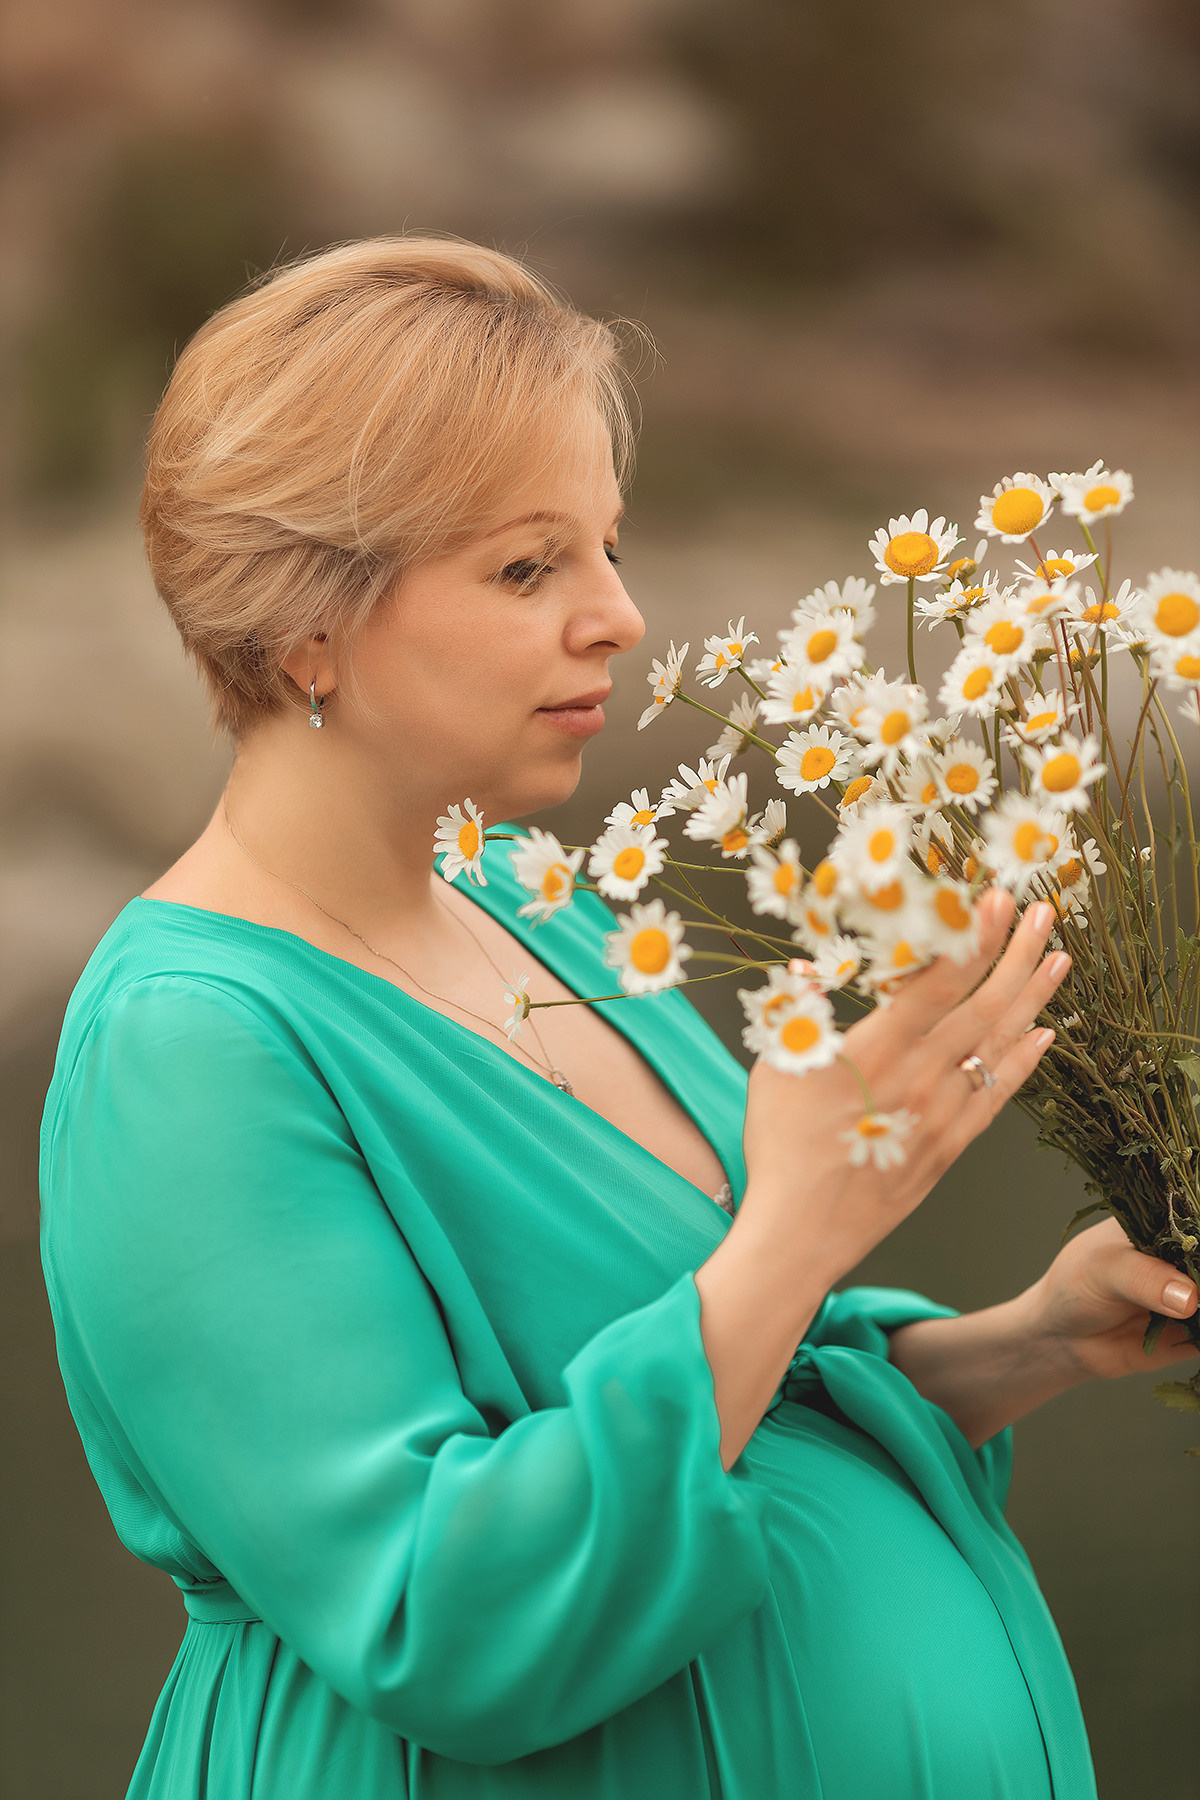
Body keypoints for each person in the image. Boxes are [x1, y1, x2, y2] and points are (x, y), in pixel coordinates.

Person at [37, 235, 1199, 1800]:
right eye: (528, 568)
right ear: (302, 624)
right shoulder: (189, 1047)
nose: (620, 619)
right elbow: (432, 1615)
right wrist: (801, 1221)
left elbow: (728, 1370)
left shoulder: (534, 897)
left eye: (610, 549)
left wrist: (1023, 1344)